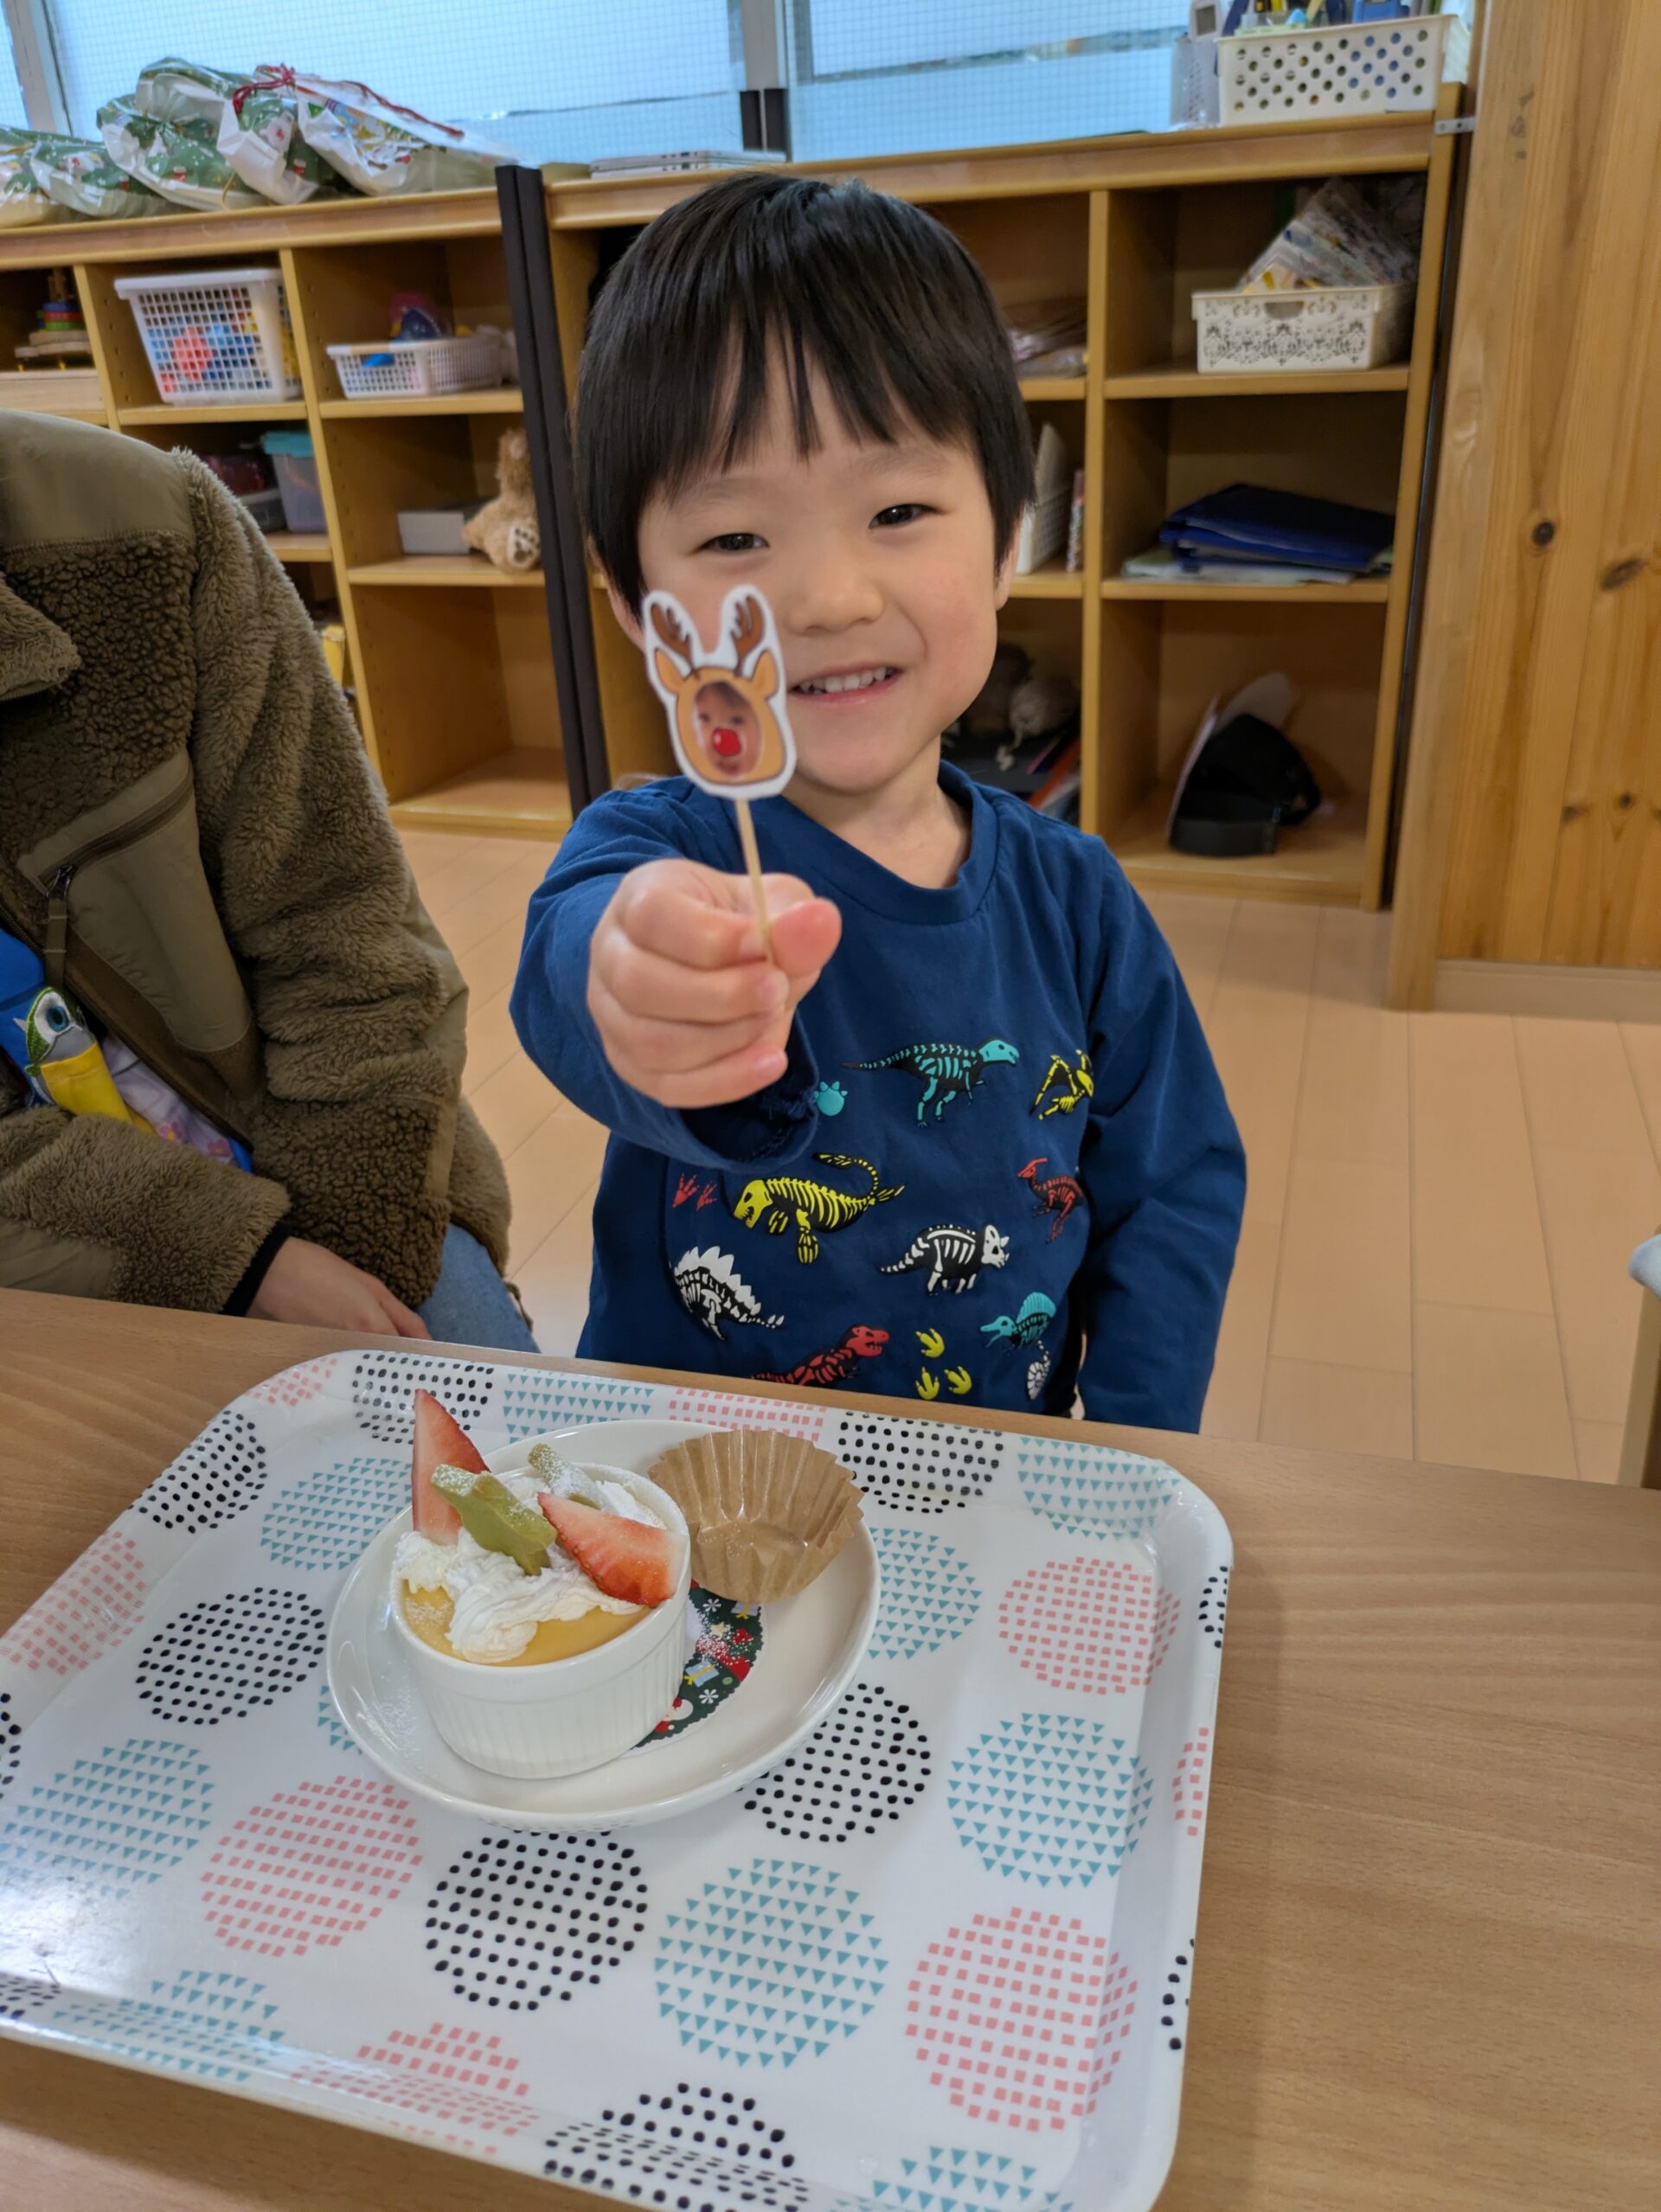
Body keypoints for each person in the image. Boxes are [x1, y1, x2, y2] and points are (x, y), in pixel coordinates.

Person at [510, 174, 1244, 1425]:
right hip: (689, 1460)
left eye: (899, 510)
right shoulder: (653, 852)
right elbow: (572, 961)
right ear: (637, 605)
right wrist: (633, 972)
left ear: (1009, 539)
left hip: (992, 1463)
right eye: (735, 539)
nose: (830, 598)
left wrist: (1131, 1449)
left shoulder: (1079, 904)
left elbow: (1172, 1187)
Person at [0, 411, 533, 1351]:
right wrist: (236, 1259)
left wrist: (354, 1249)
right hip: (45, 1241)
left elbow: (349, 938)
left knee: (480, 1401)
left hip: (322, 1151)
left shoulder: (148, 526)